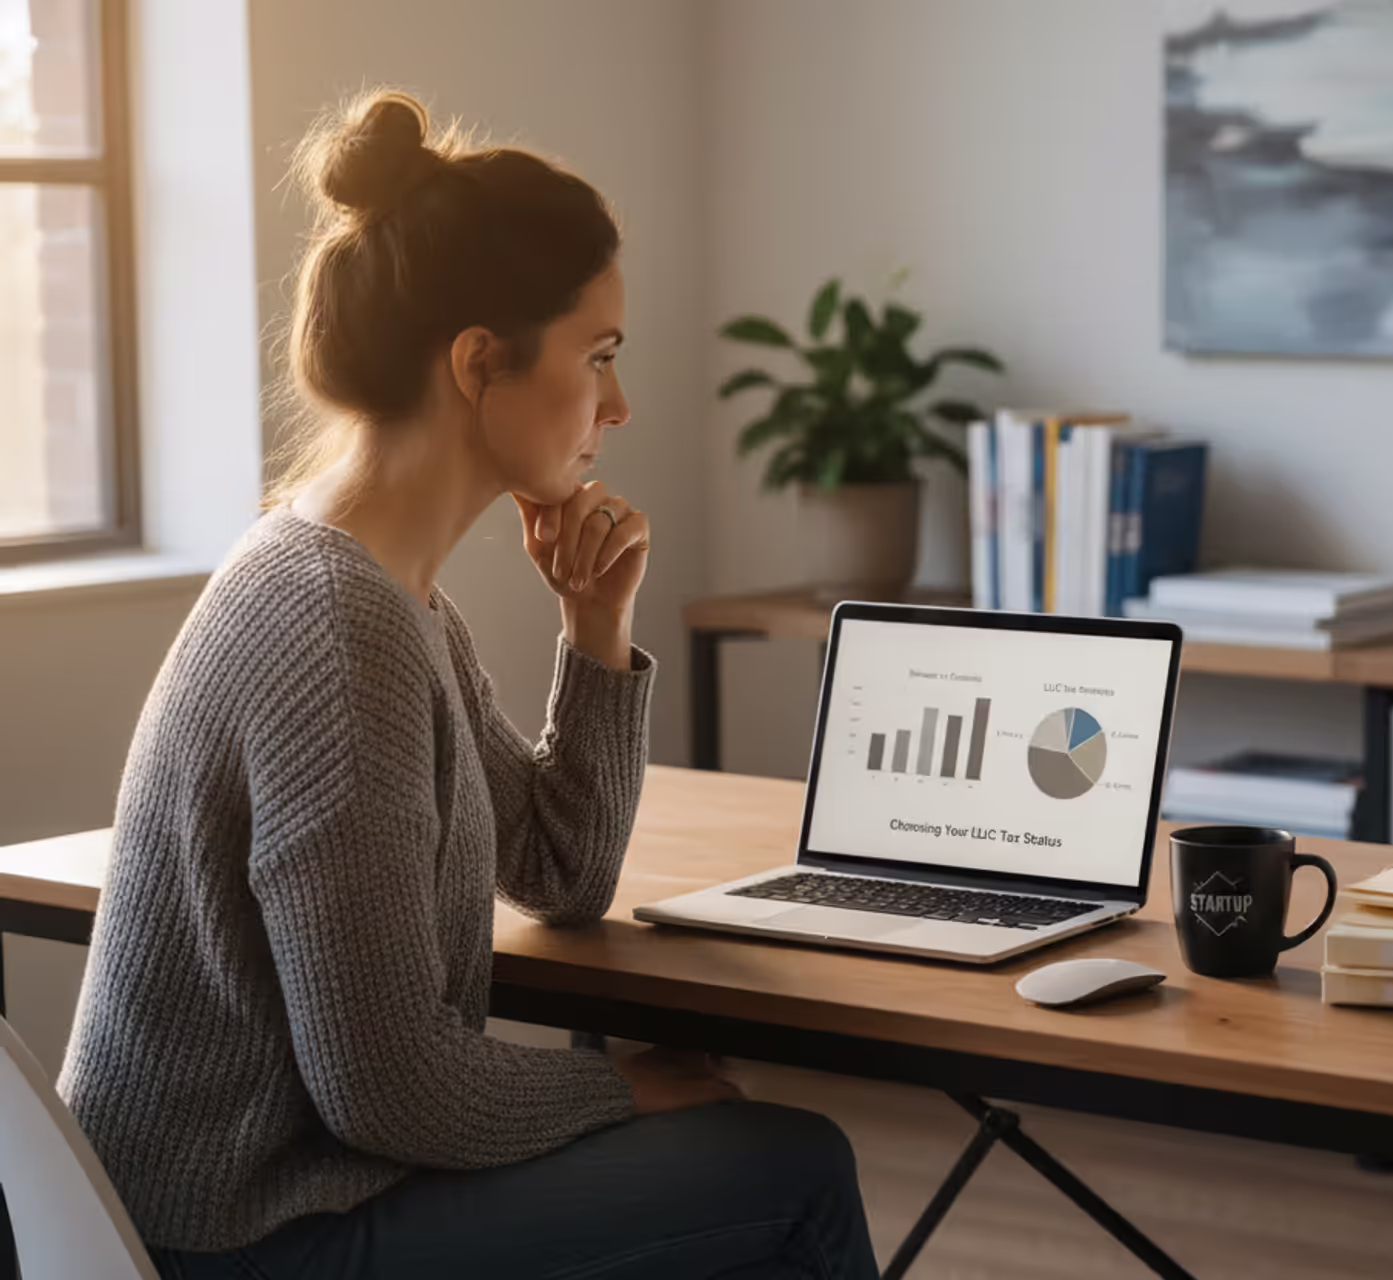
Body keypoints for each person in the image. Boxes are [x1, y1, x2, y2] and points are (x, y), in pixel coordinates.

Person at [55, 90, 879, 1280]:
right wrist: (615, 1089)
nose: (617, 404)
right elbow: (389, 1089)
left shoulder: (373, 587)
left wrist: (594, 629)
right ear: (479, 363)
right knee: (791, 1170)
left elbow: (558, 871)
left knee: (738, 1147)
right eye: (597, 357)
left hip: (254, 1200)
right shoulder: (340, 629)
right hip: (241, 1233)